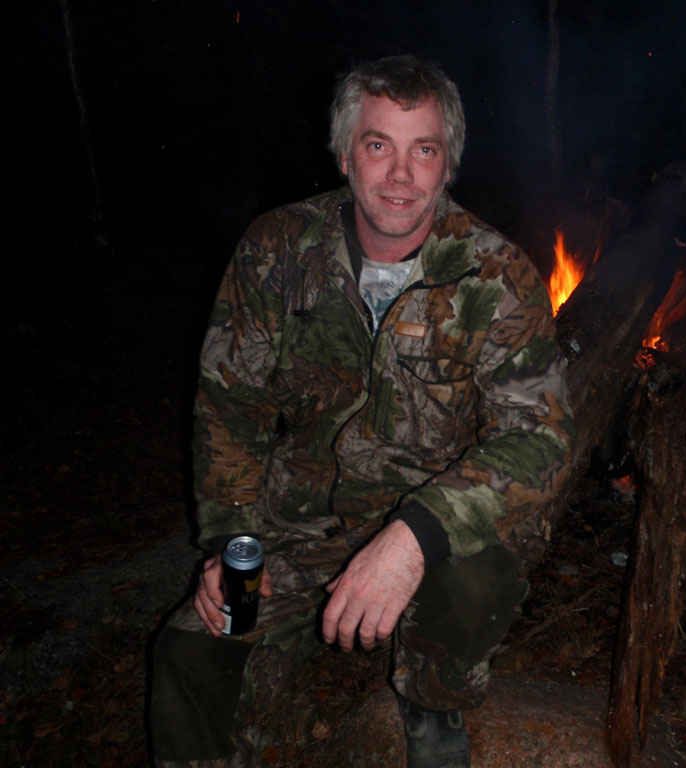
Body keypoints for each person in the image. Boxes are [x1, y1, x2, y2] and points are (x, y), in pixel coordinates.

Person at [149, 54, 574, 768]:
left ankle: (431, 700)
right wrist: (231, 540)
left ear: (447, 165)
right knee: (188, 657)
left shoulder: (496, 274)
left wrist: (413, 537)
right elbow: (230, 407)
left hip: (439, 522)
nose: (401, 175)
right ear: (345, 155)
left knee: (474, 582)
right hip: (300, 523)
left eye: (424, 150)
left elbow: (541, 437)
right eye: (379, 145)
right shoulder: (276, 250)